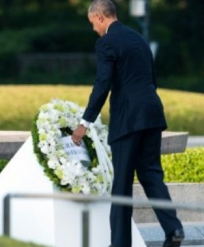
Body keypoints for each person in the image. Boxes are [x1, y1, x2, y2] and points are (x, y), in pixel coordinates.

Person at [72, 0, 185, 246]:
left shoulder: (106, 43)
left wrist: (85, 122)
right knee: (151, 173)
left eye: (93, 23)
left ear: (100, 17)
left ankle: (120, 244)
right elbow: (151, 79)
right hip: (152, 113)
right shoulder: (139, 39)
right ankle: (174, 229)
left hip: (128, 119)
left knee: (122, 182)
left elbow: (103, 84)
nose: (94, 29)